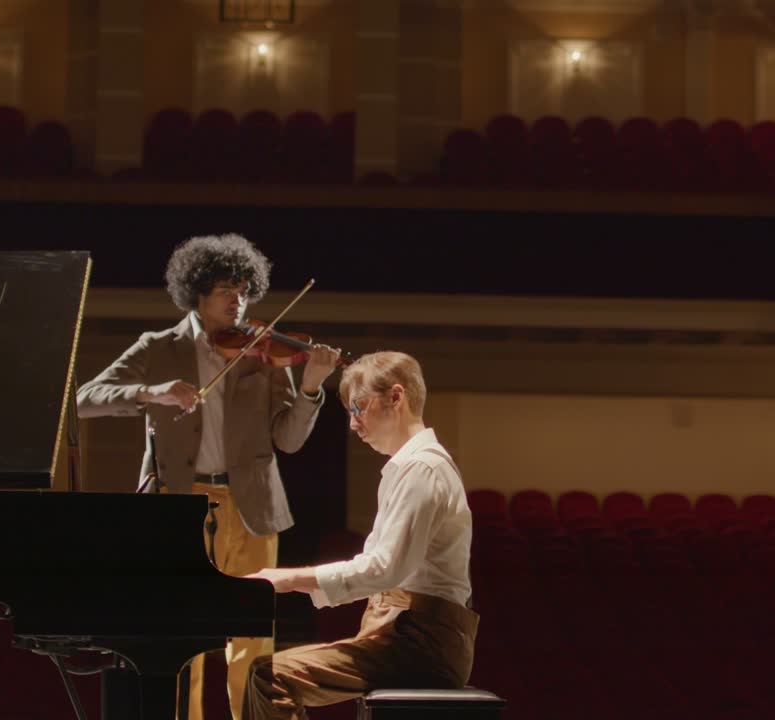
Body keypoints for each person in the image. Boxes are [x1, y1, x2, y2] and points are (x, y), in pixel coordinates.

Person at [76, 233, 342, 720]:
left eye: (243, 291)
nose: (237, 302)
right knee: (185, 633)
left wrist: (308, 390)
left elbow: (288, 440)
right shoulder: (158, 347)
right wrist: (151, 391)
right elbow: (85, 399)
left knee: (253, 637)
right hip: (179, 503)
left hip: (251, 503)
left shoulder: (261, 354)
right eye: (226, 291)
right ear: (196, 293)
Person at [240, 351, 477, 720]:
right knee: (267, 672)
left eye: (359, 408)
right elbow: (379, 570)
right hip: (405, 633)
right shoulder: (410, 468)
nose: (353, 424)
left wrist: (288, 578)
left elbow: (385, 569)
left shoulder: (423, 469)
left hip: (422, 642)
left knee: (267, 675)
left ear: (396, 397)